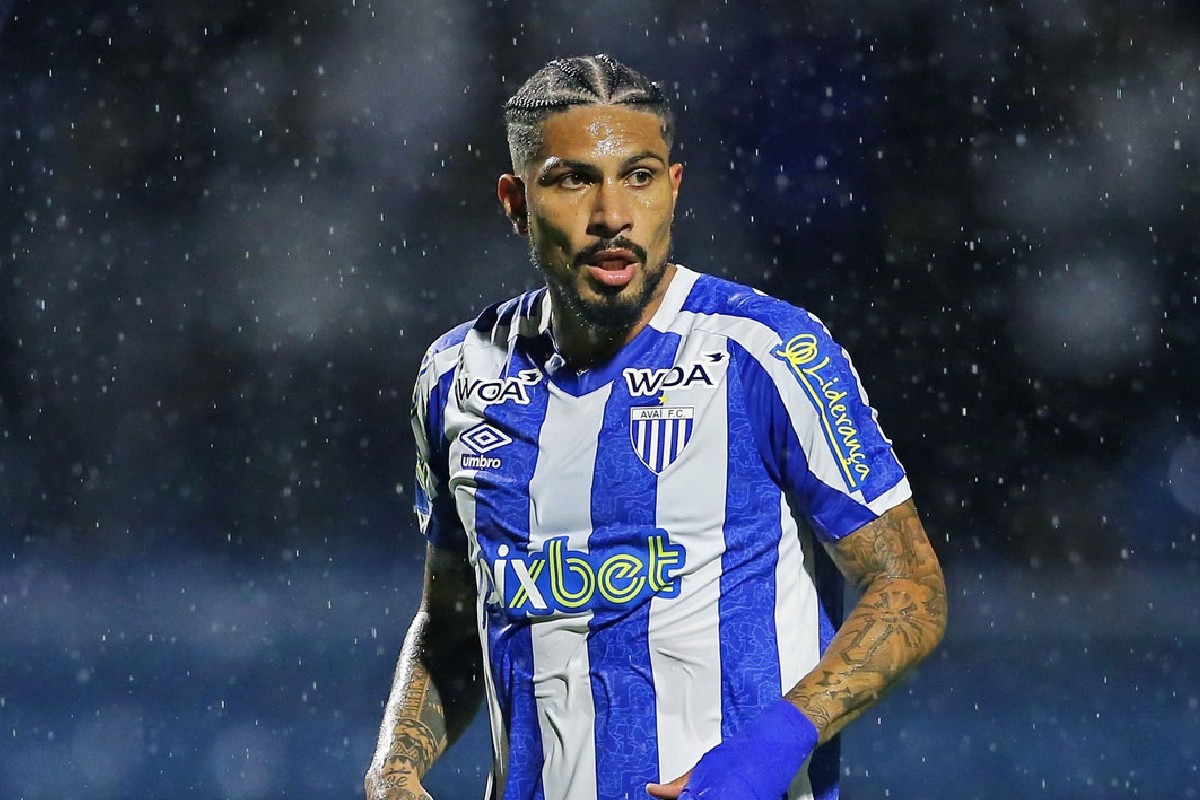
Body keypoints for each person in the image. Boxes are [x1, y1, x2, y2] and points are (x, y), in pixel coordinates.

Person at [364, 54, 947, 800]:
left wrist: (768, 750)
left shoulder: (766, 352)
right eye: (573, 180)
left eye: (637, 177)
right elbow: (450, 626)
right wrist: (395, 767)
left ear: (672, 188)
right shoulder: (457, 375)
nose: (612, 214)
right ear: (516, 201)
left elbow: (909, 587)